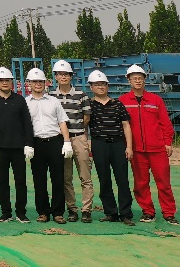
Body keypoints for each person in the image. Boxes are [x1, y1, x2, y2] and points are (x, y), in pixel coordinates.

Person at [120, 64, 178, 225]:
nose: (137, 81)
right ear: (129, 80)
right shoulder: (123, 101)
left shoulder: (155, 100)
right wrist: (126, 146)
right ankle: (148, 212)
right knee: (140, 184)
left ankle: (169, 213)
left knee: (164, 183)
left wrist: (167, 142)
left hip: (157, 149)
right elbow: (121, 126)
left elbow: (165, 123)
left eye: (140, 78)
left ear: (144, 80)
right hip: (137, 150)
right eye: (134, 78)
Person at [0, 66, 34, 223]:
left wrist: (29, 143)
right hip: (0, 148)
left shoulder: (20, 100)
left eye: (7, 80)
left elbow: (27, 123)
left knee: (20, 181)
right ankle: (6, 212)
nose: (5, 82)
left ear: (12, 82)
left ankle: (21, 212)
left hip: (18, 148)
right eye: (1, 80)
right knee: (3, 182)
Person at [25, 68, 73, 224]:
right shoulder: (25, 103)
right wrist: (27, 144)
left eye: (40, 81)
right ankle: (43, 212)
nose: (38, 84)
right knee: (39, 180)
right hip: (36, 143)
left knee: (58, 178)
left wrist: (67, 142)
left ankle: (58, 212)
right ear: (29, 84)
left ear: (45, 83)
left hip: (54, 142)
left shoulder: (54, 101)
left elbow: (62, 122)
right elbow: (23, 125)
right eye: (35, 82)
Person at [87, 69, 135, 226]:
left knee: (122, 179)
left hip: (117, 144)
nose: (101, 87)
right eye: (97, 84)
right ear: (91, 87)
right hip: (99, 144)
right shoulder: (89, 105)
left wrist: (129, 147)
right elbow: (84, 125)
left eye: (103, 84)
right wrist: (87, 144)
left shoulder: (117, 104)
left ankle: (126, 213)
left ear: (107, 86)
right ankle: (111, 212)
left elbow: (126, 125)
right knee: (104, 179)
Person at [52, 59, 94, 223]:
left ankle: (86, 210)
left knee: (85, 176)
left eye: (66, 74)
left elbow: (86, 118)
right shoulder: (51, 96)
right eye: (60, 74)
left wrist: (76, 133)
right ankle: (72, 209)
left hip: (78, 138)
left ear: (71, 76)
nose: (63, 77)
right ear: (56, 76)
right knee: (66, 177)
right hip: (60, 141)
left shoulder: (81, 96)